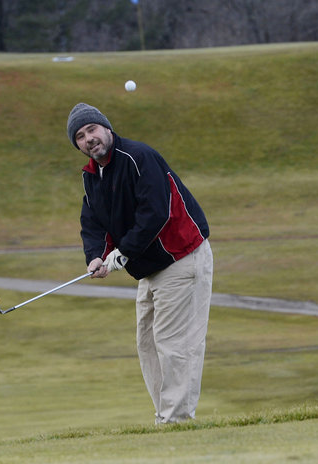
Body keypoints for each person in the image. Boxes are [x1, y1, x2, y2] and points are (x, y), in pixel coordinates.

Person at [66, 103, 213, 424]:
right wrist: (96, 256)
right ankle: (166, 415)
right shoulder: (92, 176)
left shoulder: (138, 157)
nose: (88, 138)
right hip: (149, 266)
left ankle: (176, 420)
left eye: (91, 129)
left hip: (180, 254)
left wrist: (121, 254)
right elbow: (92, 221)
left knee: (174, 342)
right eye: (80, 136)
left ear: (106, 128)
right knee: (147, 342)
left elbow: (155, 212)